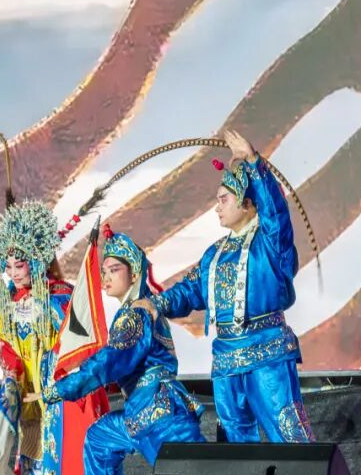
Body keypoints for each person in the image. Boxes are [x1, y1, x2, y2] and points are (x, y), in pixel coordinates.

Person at [135, 130, 315, 443]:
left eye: (223, 200)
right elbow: (190, 290)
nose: (217, 208)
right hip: (226, 360)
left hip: (268, 354)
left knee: (289, 436)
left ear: (247, 203)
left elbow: (275, 212)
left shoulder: (270, 244)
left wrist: (254, 161)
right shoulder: (214, 255)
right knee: (234, 447)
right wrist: (156, 303)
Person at [27, 227, 204, 475]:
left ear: (134, 274)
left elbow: (112, 360)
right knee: (100, 438)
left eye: (114, 270)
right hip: (139, 409)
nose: (105, 277)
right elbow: (121, 363)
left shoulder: (136, 314)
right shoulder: (131, 311)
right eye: (104, 271)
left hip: (159, 410)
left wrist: (61, 389)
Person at [0, 200, 109, 475]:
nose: (14, 273)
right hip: (26, 387)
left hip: (53, 387)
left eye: (20, 265)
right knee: (30, 442)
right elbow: (2, 341)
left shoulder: (60, 297)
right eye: (8, 267)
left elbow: (75, 344)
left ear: (36, 262)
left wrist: (51, 378)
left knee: (57, 442)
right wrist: (13, 375)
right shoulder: (8, 305)